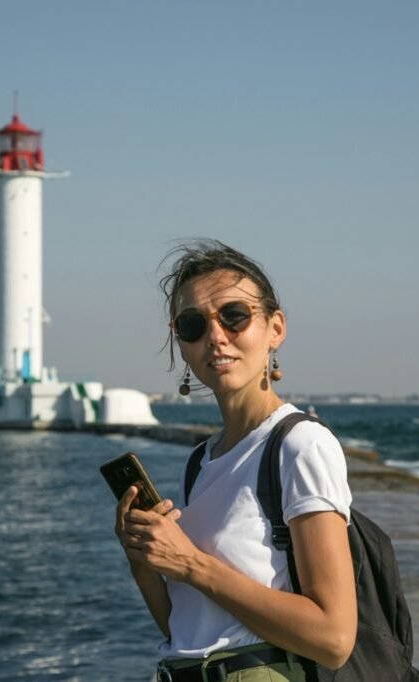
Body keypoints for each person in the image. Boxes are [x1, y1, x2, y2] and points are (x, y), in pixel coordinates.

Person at [115, 240, 356, 682]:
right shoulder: (201, 461)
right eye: (193, 324)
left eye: (234, 316)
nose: (216, 336)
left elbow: (334, 638)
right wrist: (145, 561)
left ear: (275, 328)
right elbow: (187, 629)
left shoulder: (300, 444)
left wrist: (189, 562)